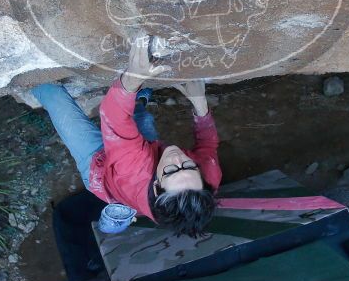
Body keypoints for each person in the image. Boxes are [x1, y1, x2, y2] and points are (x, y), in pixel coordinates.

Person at [31, 37, 222, 237]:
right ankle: (139, 100)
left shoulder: (135, 169)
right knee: (142, 120)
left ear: (157, 187)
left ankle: (32, 79)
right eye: (190, 166)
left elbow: (113, 116)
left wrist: (132, 78)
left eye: (172, 170)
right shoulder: (205, 179)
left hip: (99, 167)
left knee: (52, 95)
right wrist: (200, 104)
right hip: (140, 160)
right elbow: (208, 145)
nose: (177, 157)